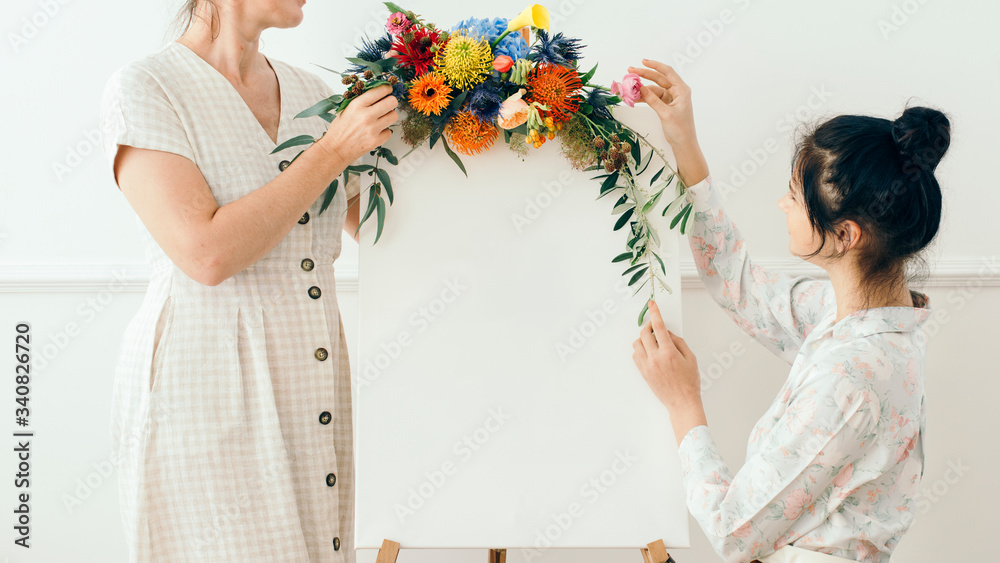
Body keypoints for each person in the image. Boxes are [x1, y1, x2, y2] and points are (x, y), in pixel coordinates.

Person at [98, 0, 398, 560]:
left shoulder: (315, 95)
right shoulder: (147, 87)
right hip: (206, 380)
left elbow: (389, 233)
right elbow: (206, 253)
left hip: (312, 379)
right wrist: (334, 150)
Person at [629, 59, 949, 562]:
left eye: (796, 196)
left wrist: (683, 401)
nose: (782, 204)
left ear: (844, 234)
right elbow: (739, 284)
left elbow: (734, 534)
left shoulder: (855, 374)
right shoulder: (855, 317)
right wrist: (683, 142)